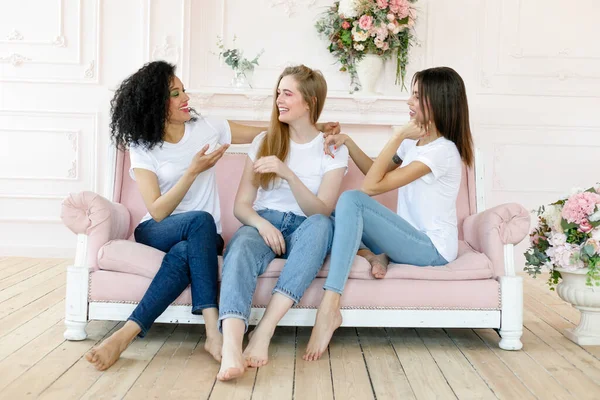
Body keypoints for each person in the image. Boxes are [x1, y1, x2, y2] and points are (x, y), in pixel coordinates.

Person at [84, 61, 340, 371]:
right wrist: (193, 171)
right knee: (200, 219)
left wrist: (316, 127)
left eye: (183, 90)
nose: (186, 98)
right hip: (158, 229)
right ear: (155, 104)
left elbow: (269, 132)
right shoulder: (142, 147)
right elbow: (158, 210)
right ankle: (211, 330)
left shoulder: (207, 127)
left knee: (187, 250)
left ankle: (124, 335)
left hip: (203, 240)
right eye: (176, 94)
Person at [304, 66, 475, 361]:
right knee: (334, 219)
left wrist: (396, 136)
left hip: (431, 249)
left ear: (438, 101)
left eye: (417, 96)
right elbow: (374, 171)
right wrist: (349, 141)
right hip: (406, 240)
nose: (409, 102)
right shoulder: (416, 143)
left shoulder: (442, 152)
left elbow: (370, 187)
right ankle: (374, 255)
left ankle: (330, 305)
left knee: (352, 201)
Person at [217, 65, 349, 381]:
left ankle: (263, 332)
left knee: (323, 226)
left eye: (287, 93)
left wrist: (287, 173)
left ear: (311, 102)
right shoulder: (264, 141)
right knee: (241, 248)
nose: (279, 99)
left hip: (307, 227)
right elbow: (241, 206)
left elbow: (320, 210)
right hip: (263, 223)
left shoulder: (331, 148)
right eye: (278, 92)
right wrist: (262, 225)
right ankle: (232, 346)